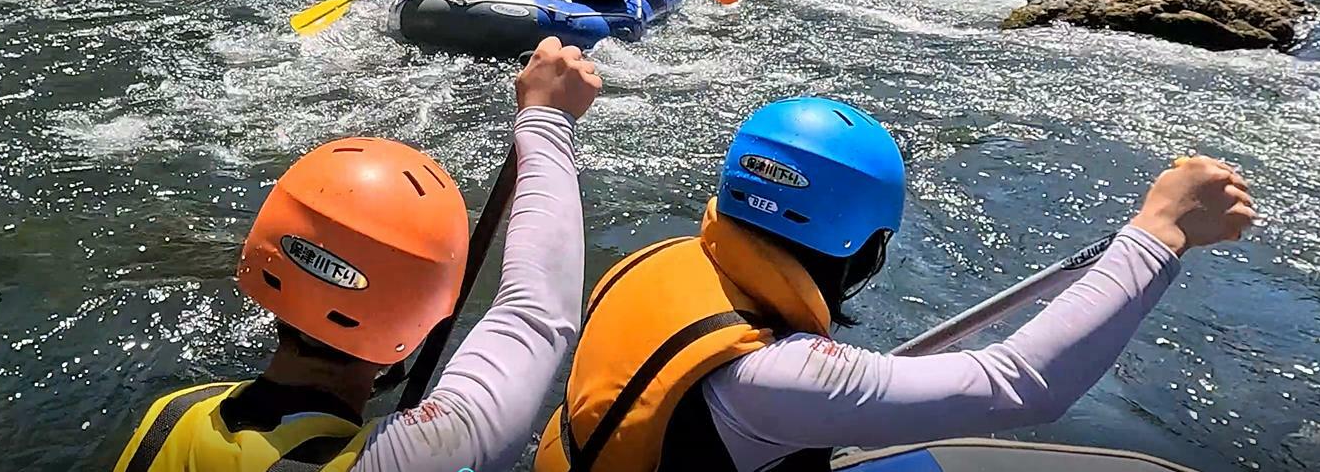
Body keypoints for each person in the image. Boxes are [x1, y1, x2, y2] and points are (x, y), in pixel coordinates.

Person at [537, 98, 1257, 472]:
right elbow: (1020, 383)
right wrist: (1160, 230)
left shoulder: (655, 260)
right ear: (864, 244)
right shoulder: (776, 378)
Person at [114, 37, 602, 472]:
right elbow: (534, 314)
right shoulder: (400, 458)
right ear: (422, 317)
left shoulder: (171, 416)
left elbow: (535, 315)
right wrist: (545, 119)